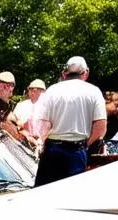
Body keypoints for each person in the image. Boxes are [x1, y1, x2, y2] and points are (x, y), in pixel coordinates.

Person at [33, 56, 107, 186]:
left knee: (43, 194)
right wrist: (86, 144)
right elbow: (100, 127)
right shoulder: (94, 92)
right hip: (77, 151)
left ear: (65, 73)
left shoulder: (52, 90)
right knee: (73, 196)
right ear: (86, 73)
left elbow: (43, 124)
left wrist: (41, 141)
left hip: (52, 150)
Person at [12, 79, 46, 144]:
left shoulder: (48, 107)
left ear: (43, 92)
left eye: (36, 90)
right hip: (21, 139)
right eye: (30, 89)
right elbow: (13, 123)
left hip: (41, 142)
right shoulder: (20, 105)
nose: (32, 92)